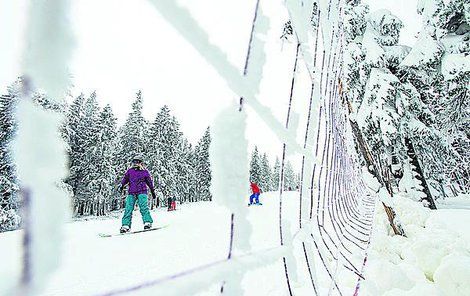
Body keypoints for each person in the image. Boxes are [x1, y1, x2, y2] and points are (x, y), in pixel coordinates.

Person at [118, 155, 157, 233]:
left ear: (141, 163)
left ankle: (147, 222)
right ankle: (126, 225)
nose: (135, 164)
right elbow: (125, 179)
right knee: (128, 209)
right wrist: (122, 185)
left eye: (137, 162)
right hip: (131, 192)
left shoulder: (144, 172)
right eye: (134, 162)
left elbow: (149, 182)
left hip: (142, 192)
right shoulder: (130, 171)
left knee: (143, 208)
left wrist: (152, 191)